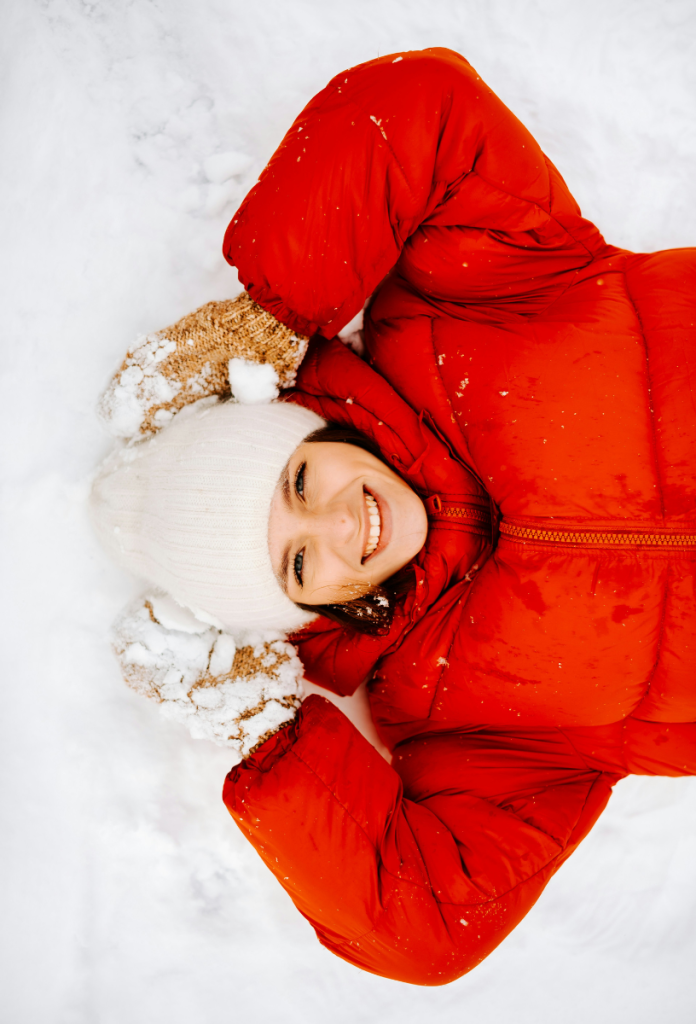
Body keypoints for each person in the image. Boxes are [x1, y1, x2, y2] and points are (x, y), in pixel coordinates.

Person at [91, 48, 695, 985]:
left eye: (296, 484)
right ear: (304, 614)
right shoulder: (452, 725)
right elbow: (422, 925)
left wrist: (273, 309)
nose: (336, 528)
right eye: (296, 567)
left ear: (300, 419)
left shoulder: (464, 304)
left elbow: (423, 110)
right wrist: (262, 725)